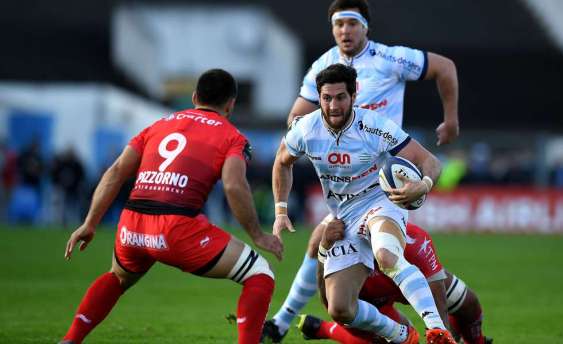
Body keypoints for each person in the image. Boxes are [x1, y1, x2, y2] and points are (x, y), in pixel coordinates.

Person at [263, 0, 459, 341]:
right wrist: (304, 137)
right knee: (338, 304)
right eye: (339, 25)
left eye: (352, 24)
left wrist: (449, 124)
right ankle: (403, 334)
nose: (345, 31)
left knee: (387, 254)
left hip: (387, 184)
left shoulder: (389, 63)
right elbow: (288, 142)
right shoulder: (322, 69)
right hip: (344, 205)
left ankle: (437, 329)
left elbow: (445, 68)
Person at [59, 69, 283, 344]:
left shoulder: (158, 125)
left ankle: (70, 339)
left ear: (194, 97)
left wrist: (90, 223)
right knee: (260, 273)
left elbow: (116, 170)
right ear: (231, 104)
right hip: (178, 228)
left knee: (117, 277)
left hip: (133, 224)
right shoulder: (232, 136)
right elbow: (234, 185)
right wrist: (258, 235)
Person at [297, 222, 492, 344]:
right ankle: (323, 329)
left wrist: (441, 335)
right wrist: (324, 252)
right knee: (404, 340)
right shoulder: (342, 244)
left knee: (468, 304)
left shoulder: (414, 238)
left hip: (410, 281)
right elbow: (331, 305)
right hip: (372, 303)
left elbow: (435, 287)